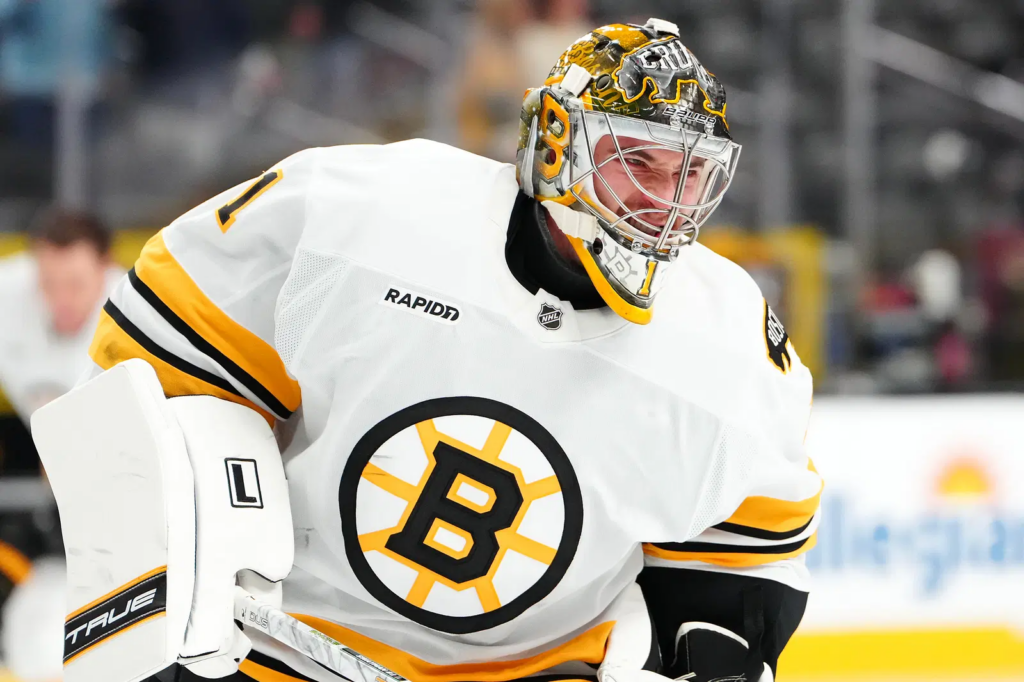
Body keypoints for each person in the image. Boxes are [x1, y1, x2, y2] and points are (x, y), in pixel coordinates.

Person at [42, 20, 819, 682]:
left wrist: (708, 655)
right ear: (556, 143)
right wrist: (172, 570)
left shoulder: (726, 343)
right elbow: (160, 362)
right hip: (292, 653)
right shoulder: (361, 218)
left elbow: (746, 558)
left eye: (690, 174)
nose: (664, 202)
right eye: (637, 161)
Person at [0, 210, 121, 426]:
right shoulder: (8, 291)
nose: (61, 300)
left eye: (75, 284)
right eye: (49, 284)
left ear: (105, 268)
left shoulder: (137, 322)